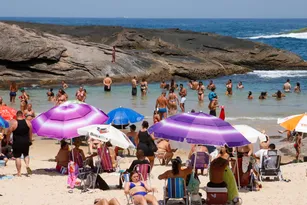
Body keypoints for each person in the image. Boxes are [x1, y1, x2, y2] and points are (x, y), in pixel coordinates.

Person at [6, 110, 33, 176]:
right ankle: (27, 165)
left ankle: (19, 172)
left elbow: (9, 132)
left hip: (17, 142)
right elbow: (30, 132)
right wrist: (30, 140)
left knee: (17, 157)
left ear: (16, 116)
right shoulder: (28, 122)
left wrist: (7, 140)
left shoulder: (14, 123)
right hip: (26, 141)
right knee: (26, 154)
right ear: (23, 115)